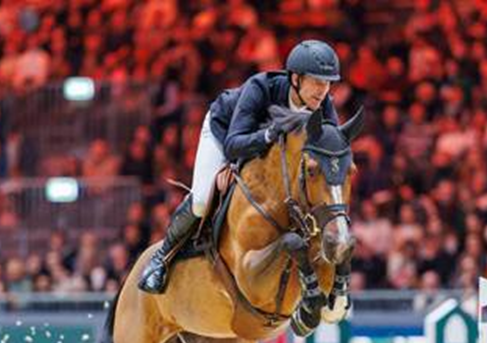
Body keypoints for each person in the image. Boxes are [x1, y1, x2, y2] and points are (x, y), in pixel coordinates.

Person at [138, 39, 341, 294]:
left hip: (263, 155)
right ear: (296, 79)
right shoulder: (260, 87)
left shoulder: (323, 105)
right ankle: (161, 259)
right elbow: (233, 144)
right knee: (201, 200)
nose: (323, 90)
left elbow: (331, 151)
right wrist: (267, 136)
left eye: (328, 83)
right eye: (317, 82)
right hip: (224, 132)